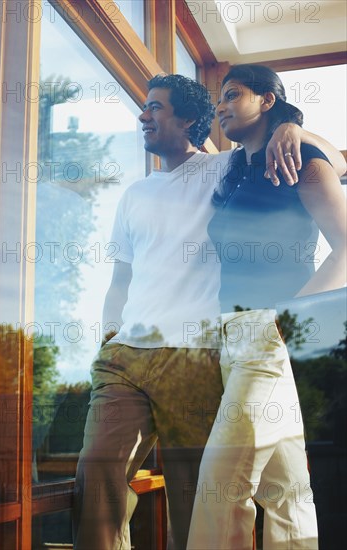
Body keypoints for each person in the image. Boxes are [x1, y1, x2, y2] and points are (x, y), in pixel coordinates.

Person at [72, 73, 346, 550]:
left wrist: (292, 127)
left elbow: (331, 160)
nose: (143, 116)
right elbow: (121, 280)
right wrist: (109, 335)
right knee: (97, 474)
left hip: (200, 352)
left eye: (156, 107)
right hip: (128, 357)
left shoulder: (227, 167)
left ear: (189, 120)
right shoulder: (134, 194)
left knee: (201, 495)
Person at [186, 64, 346, 550]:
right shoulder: (236, 170)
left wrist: (286, 320)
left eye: (233, 95)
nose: (222, 107)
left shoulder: (302, 156)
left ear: (268, 100)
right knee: (286, 489)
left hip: (271, 333)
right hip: (230, 335)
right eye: (218, 101)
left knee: (221, 477)